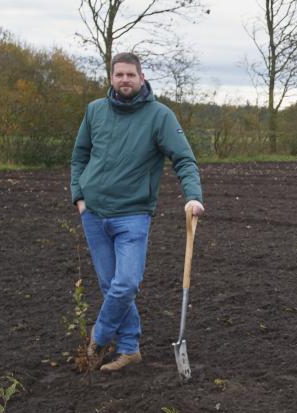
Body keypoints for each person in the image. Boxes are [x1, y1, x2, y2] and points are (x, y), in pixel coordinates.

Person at [70, 52, 205, 372]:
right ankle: (130, 349)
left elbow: (184, 160)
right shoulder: (95, 111)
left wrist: (193, 197)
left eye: (131, 75)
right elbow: (79, 156)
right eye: (119, 75)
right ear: (111, 79)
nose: (125, 80)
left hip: (132, 215)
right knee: (109, 286)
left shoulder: (160, 116)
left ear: (142, 78)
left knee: (126, 283)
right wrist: (79, 197)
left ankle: (99, 338)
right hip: (94, 214)